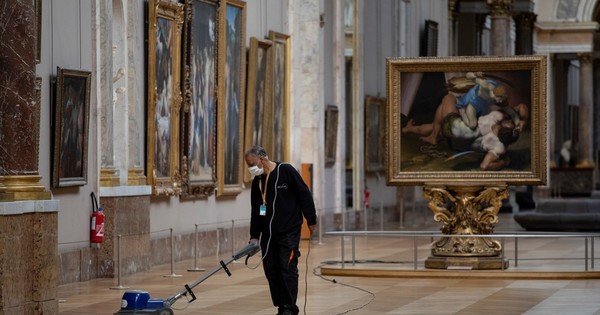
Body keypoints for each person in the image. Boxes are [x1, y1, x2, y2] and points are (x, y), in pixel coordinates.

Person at [245, 145, 318, 315]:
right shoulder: (258, 181)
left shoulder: (286, 170)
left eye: (252, 164)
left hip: (289, 232)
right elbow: (256, 210)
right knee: (271, 269)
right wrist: (254, 235)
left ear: (262, 159)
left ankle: (290, 308)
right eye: (248, 165)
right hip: (268, 235)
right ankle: (281, 305)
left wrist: (311, 219)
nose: (250, 168)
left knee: (287, 268)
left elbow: (304, 194)